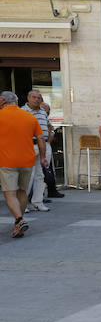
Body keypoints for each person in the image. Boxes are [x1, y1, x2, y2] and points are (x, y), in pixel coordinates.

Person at [0, 91, 47, 238]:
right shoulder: (29, 117)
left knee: (10, 194)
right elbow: (40, 138)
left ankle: (19, 219)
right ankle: (18, 225)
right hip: (27, 161)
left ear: (2, 100)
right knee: (22, 192)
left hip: (7, 161)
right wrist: (43, 157)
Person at [21, 90, 52, 210]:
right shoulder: (23, 111)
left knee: (40, 175)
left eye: (39, 98)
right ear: (28, 98)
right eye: (34, 97)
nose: (37, 100)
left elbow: (49, 125)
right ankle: (23, 204)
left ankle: (38, 202)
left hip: (43, 145)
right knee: (28, 175)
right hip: (30, 145)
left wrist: (50, 137)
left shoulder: (43, 111)